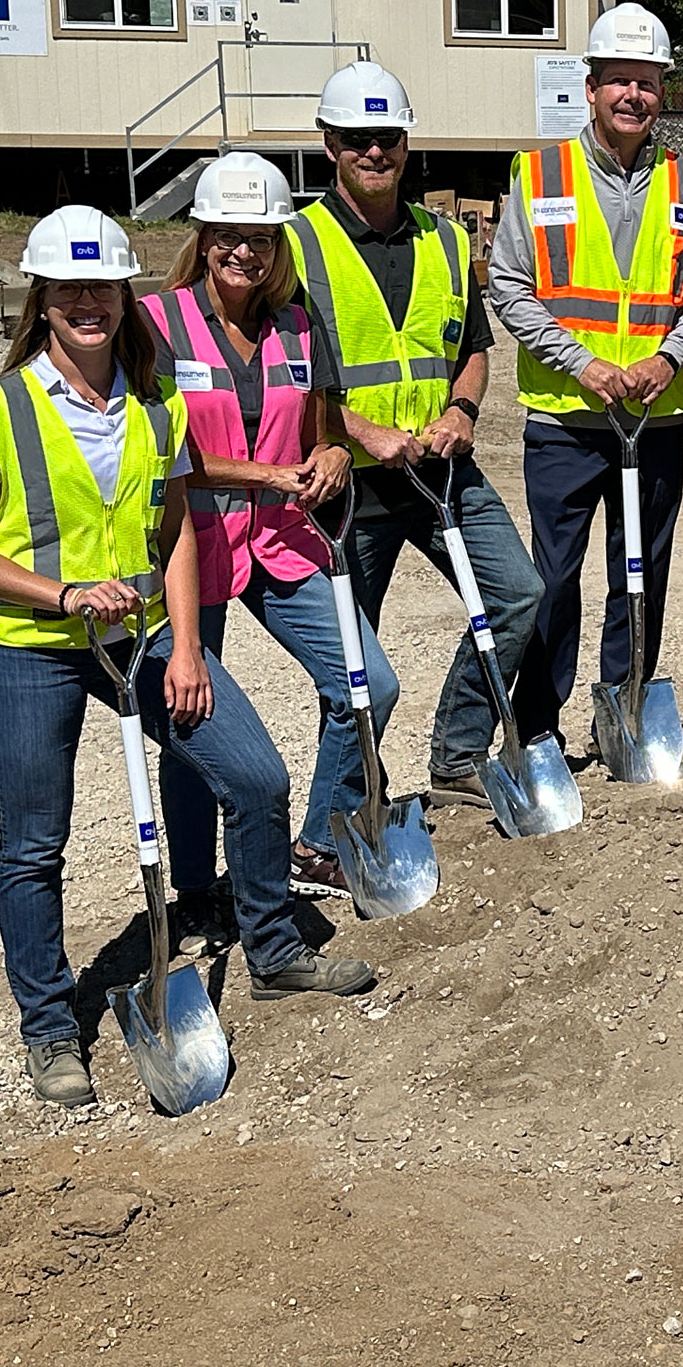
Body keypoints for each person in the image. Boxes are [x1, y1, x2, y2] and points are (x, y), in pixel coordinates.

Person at [0, 206, 373, 1109]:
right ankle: (51, 1026)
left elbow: (176, 531)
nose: (89, 303)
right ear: (43, 298)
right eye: (70, 289)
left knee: (254, 777)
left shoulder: (151, 404)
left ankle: (275, 951)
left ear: (126, 295)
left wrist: (185, 648)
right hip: (30, 649)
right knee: (34, 845)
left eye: (104, 287)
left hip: (135, 641)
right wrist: (58, 596)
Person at [287, 60, 544, 807]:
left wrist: (462, 412)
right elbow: (284, 377)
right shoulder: (294, 246)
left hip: (437, 471)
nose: (375, 152)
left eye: (389, 137)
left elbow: (473, 348)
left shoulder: (442, 238)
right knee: (352, 660)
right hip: (347, 485)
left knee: (517, 593)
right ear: (328, 142)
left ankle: (458, 752)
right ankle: (347, 801)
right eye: (358, 138)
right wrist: (361, 432)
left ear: (407, 143)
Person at [138, 152, 383, 912]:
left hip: (278, 540)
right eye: (228, 236)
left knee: (366, 680)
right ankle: (194, 885)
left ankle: (313, 840)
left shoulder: (299, 324)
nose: (245, 251)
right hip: (191, 547)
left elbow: (319, 425)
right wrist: (273, 475)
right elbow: (163, 452)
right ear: (203, 236)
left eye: (262, 237)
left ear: (279, 245)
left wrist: (335, 450)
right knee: (193, 716)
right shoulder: (159, 324)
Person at [487, 4, 683, 753]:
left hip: (655, 418)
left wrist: (666, 359)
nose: (635, 94)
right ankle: (539, 723)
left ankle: (624, 707)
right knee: (552, 581)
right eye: (620, 79)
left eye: (649, 81)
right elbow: (508, 282)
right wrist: (583, 362)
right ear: (590, 88)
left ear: (664, 91)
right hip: (566, 417)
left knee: (642, 574)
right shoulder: (541, 174)